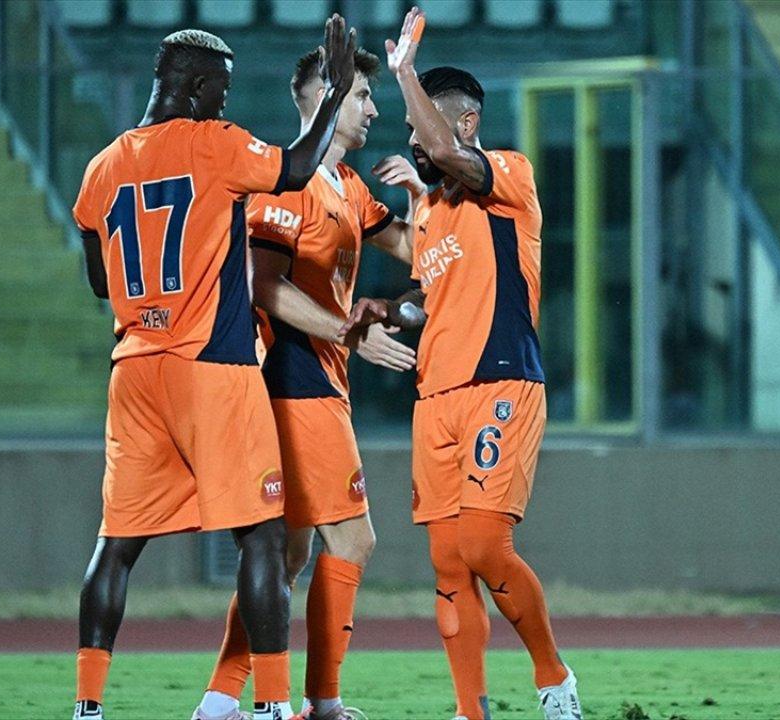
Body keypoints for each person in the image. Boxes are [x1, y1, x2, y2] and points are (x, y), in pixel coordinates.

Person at [70, 18, 356, 720]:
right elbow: (295, 169)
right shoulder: (213, 144)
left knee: (116, 545)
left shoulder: (102, 166)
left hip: (136, 369)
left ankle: (87, 706)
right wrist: (334, 94)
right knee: (262, 535)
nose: (224, 102)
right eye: (220, 90)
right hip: (212, 365)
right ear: (196, 86)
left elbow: (100, 281)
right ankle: (270, 706)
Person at [340, 8, 580, 720]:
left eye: (422, 126)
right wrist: (389, 310)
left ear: (465, 122)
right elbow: (430, 297)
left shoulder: (508, 175)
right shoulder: (432, 214)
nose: (412, 139)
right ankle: (470, 711)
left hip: (501, 381)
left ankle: (553, 678)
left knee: (483, 542)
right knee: (448, 565)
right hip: (435, 398)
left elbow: (447, 154)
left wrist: (405, 72)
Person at [192, 47, 421, 720]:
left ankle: (218, 702)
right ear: (321, 100)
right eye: (360, 96)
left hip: (320, 377)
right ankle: (322, 702)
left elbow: (417, 247)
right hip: (292, 379)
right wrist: (349, 332)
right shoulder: (284, 185)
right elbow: (264, 286)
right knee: (352, 540)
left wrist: (420, 192)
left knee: (287, 552)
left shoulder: (347, 185)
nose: (373, 109)